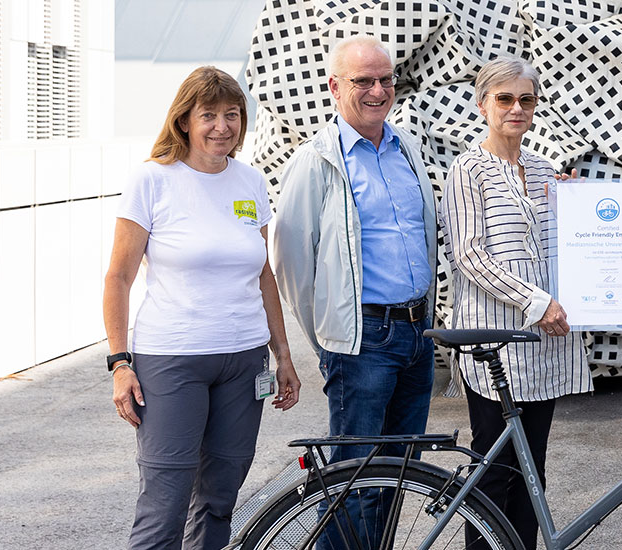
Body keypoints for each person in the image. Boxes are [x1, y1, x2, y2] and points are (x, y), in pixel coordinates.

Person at [103, 65, 302, 550]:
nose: (222, 126)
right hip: (172, 360)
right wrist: (119, 363)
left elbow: (262, 273)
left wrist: (283, 356)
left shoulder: (251, 182)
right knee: (165, 504)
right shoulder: (153, 180)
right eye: (208, 114)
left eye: (232, 115)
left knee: (219, 500)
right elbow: (119, 278)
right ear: (184, 120)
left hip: (242, 361)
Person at [269, 35, 438, 549]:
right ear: (334, 86)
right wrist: (330, 339)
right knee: (353, 483)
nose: (378, 90)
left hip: (418, 333)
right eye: (363, 81)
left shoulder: (406, 145)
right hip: (362, 338)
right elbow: (291, 263)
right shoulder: (316, 161)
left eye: (385, 79)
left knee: (398, 477)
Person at [439, 57, 594, 550]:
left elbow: (569, 237)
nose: (516, 108)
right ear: (483, 104)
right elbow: (467, 254)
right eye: (504, 99)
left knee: (533, 468)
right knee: (494, 468)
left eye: (526, 99)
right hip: (496, 342)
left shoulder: (546, 170)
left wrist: (616, 204)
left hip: (543, 344)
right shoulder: (468, 170)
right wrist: (537, 302)